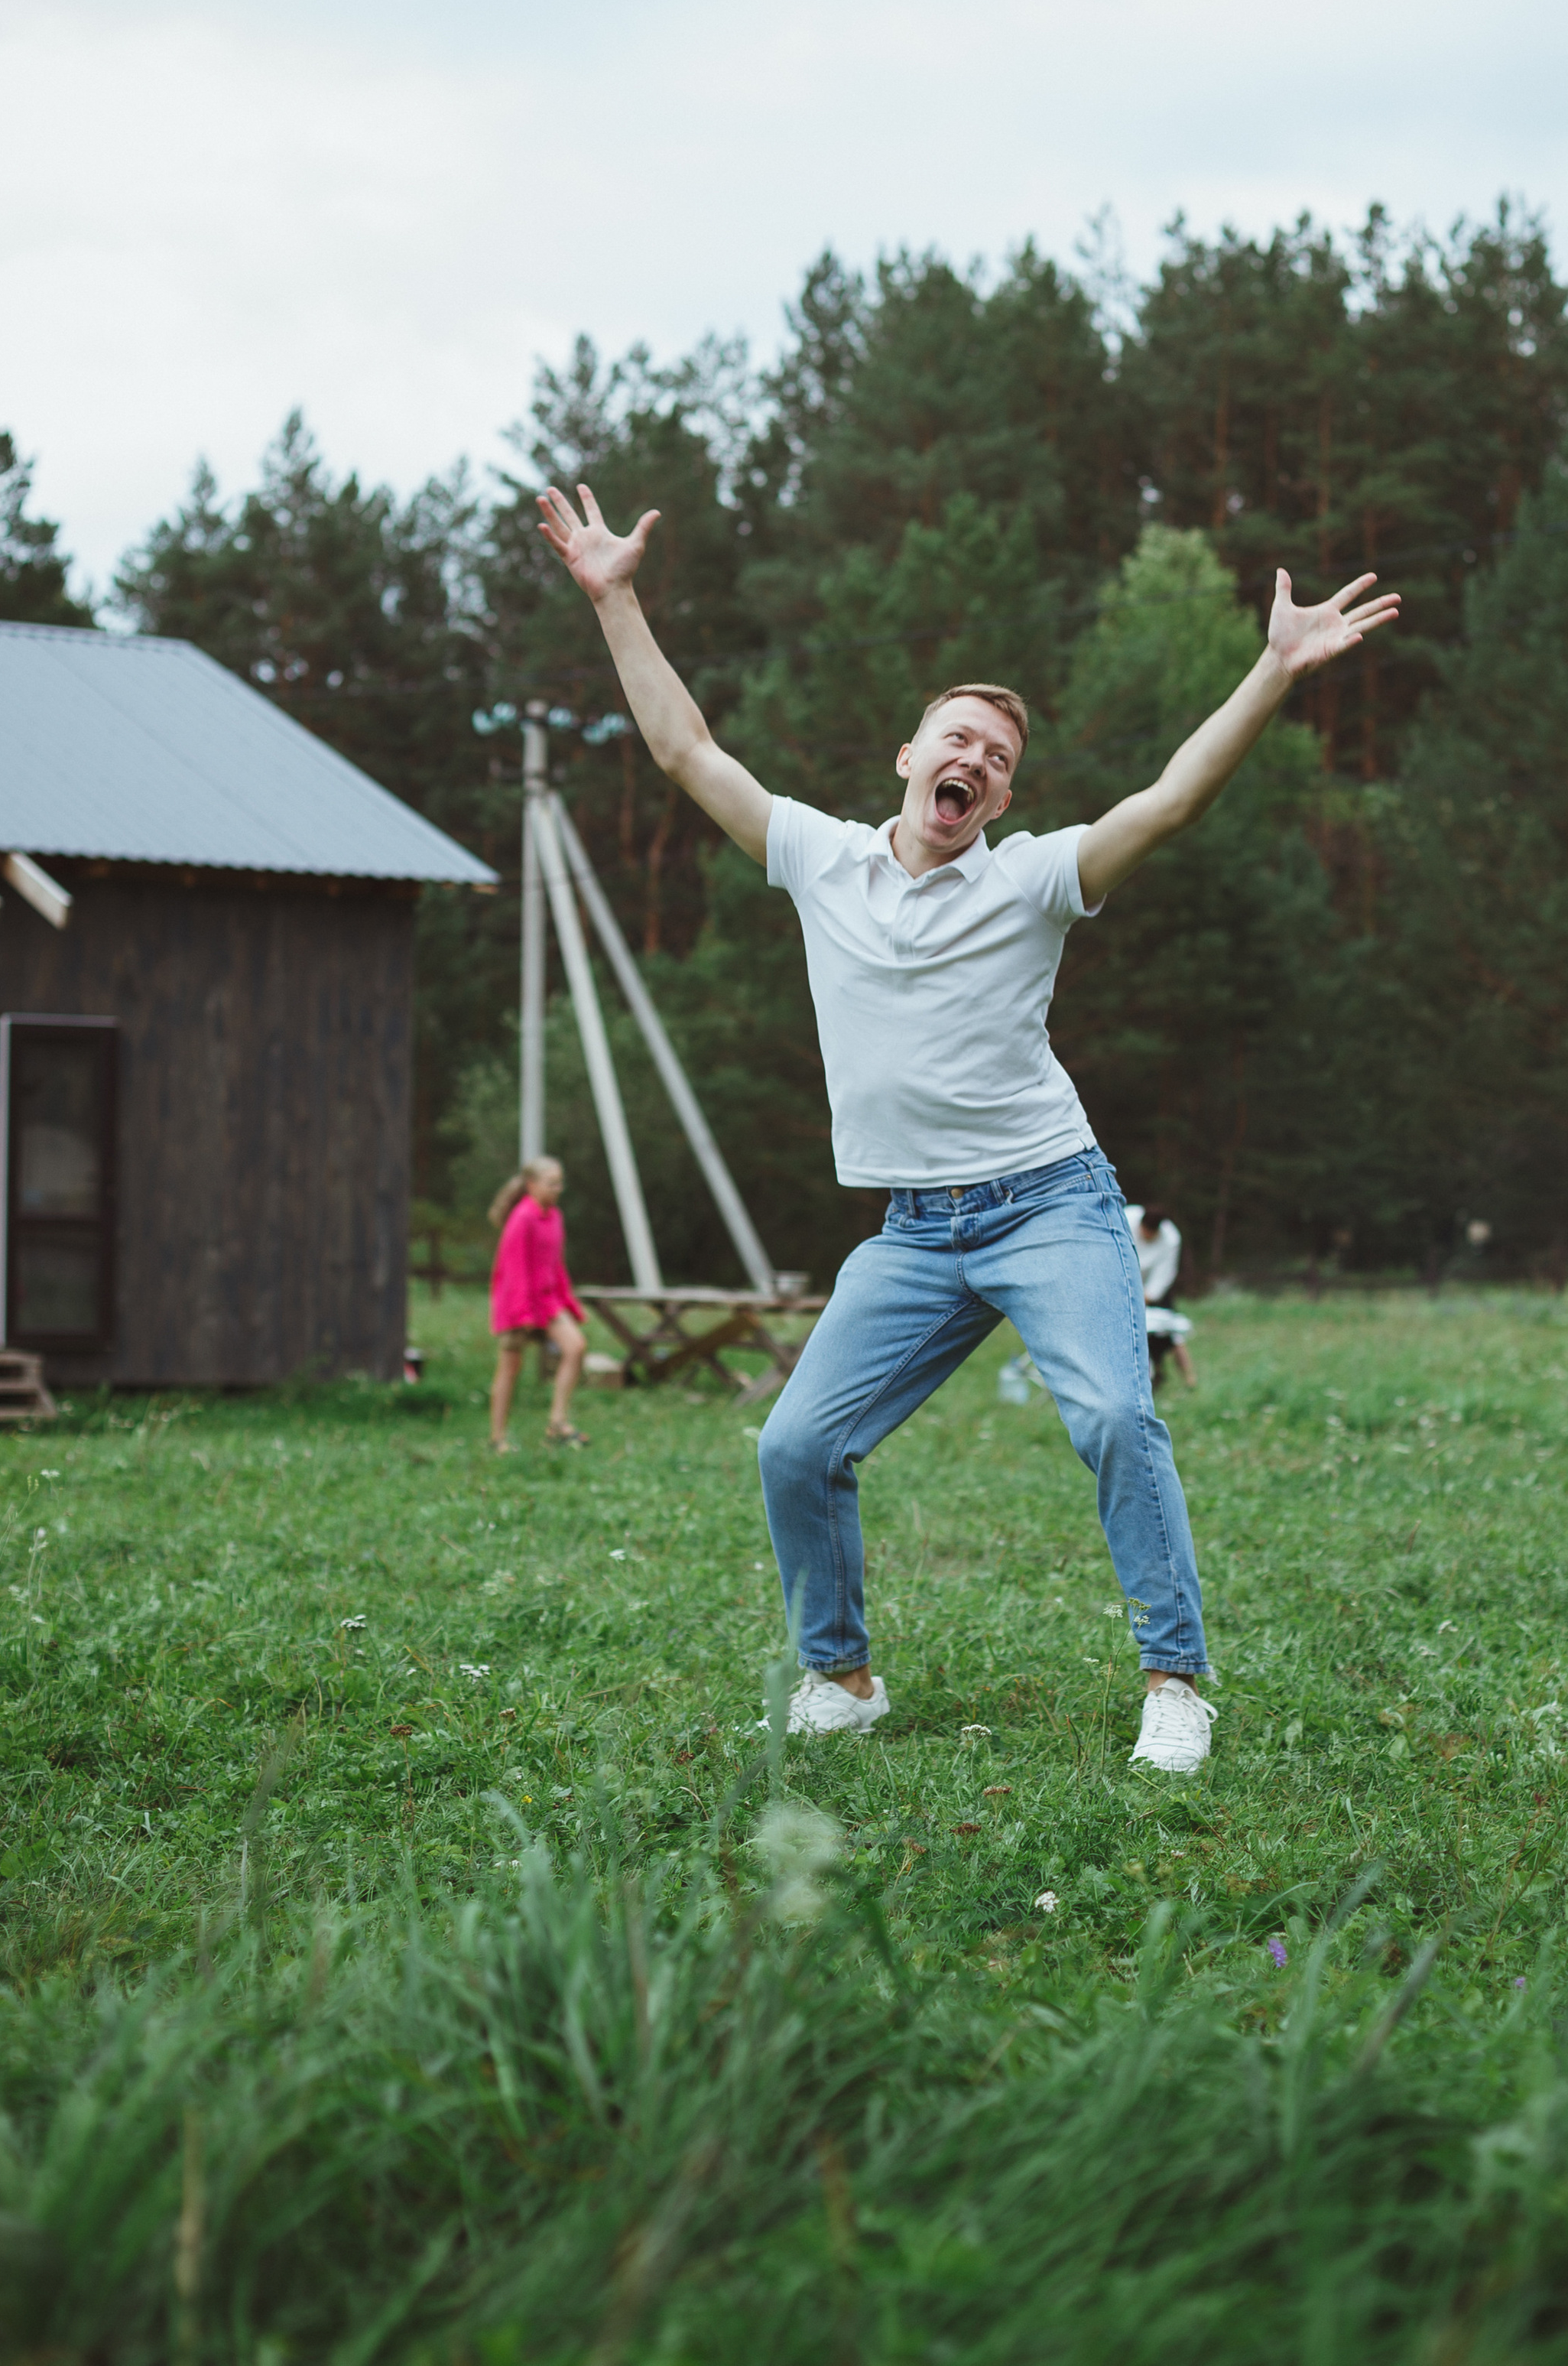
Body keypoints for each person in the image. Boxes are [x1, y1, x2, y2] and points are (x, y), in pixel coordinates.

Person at [538, 479, 1398, 1775]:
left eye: (999, 760)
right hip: (914, 1231)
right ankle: (843, 1676)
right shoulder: (820, 860)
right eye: (959, 741)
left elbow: (1166, 801)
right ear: (909, 757)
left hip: (1049, 1201)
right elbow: (685, 752)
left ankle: (1176, 1681)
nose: (978, 764)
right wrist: (617, 600)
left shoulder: (1038, 880)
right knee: (794, 1444)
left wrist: (1271, 673)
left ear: (999, 797)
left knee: (1115, 1415)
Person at [486, 1158, 590, 1453]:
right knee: (510, 1367)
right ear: (532, 1185)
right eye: (551, 1183)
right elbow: (513, 1269)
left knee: (576, 1347)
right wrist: (523, 1312)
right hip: (517, 1302)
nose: (558, 1189)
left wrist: (569, 1303)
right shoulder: (522, 1218)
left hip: (547, 1300)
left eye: (560, 1183)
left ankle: (557, 1423)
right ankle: (498, 1438)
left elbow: (556, 1264)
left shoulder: (554, 1216)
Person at [1126, 1204, 1198, 1393]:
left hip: (1152, 1289)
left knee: (1171, 1331)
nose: (1148, 1236)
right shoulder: (1126, 1219)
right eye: (1145, 1232)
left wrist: (1145, 1298)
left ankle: (1189, 1380)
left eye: (1152, 1233)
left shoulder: (1171, 1239)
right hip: (1123, 1282)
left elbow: (1164, 1274)